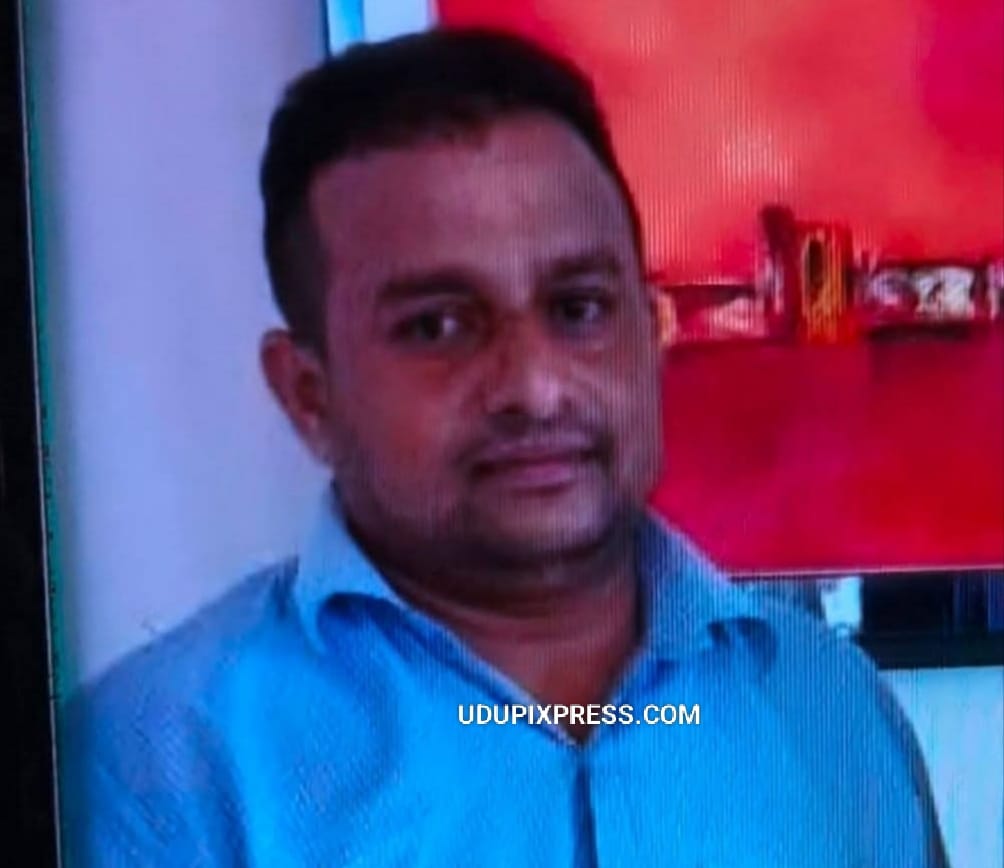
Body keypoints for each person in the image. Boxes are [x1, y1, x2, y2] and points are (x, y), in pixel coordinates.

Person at [61, 28, 949, 867]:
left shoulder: (829, 708)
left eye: (578, 308)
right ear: (308, 394)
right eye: (438, 326)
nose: (535, 386)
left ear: (650, 332)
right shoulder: (158, 768)